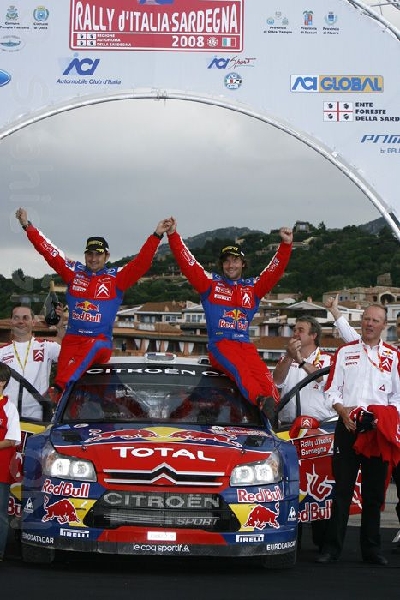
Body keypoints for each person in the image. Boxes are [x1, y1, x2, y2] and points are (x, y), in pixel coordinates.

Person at [15, 208, 172, 391]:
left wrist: (156, 235)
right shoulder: (74, 272)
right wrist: (27, 226)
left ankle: (59, 387)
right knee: (69, 389)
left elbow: (142, 263)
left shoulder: (116, 277)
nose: (93, 258)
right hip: (72, 341)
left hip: (100, 342)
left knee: (66, 377)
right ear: (85, 255)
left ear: (107, 256)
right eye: (89, 254)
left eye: (98, 254)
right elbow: (49, 251)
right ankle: (60, 406)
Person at [166, 217, 293, 416]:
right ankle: (259, 400)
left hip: (245, 344)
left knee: (265, 378)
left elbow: (274, 271)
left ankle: (271, 411)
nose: (230, 265)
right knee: (240, 370)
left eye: (235, 260)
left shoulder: (253, 287)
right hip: (220, 345)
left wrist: (285, 246)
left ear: (243, 264)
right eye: (226, 261)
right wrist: (173, 235)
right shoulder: (210, 284)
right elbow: (188, 262)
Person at [317, 304, 400, 566]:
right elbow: (331, 390)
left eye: (376, 320)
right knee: (341, 490)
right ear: (361, 321)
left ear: (383, 326)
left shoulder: (394, 356)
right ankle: (331, 549)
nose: (370, 324)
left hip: (377, 432)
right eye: (366, 319)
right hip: (348, 428)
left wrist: (382, 418)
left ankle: (372, 550)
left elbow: (398, 398)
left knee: (374, 494)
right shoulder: (345, 351)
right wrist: (342, 412)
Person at [0, 305, 64, 420]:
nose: (21, 321)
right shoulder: (2, 352)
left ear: (33, 322)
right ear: (11, 322)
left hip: (38, 414)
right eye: (16, 318)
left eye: (25, 318)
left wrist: (60, 328)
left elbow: (68, 353)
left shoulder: (46, 347)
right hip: (8, 413)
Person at [273, 315, 335, 425]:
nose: (296, 333)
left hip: (321, 427)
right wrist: (289, 356)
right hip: (287, 426)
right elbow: (276, 382)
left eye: (301, 330)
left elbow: (322, 379)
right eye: (295, 330)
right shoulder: (285, 359)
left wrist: (301, 362)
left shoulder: (328, 359)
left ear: (313, 335)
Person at [0, 363, 21, 563]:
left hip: (0, 469)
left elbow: (13, 439)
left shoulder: (9, 408)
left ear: (2, 382)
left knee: (0, 513)